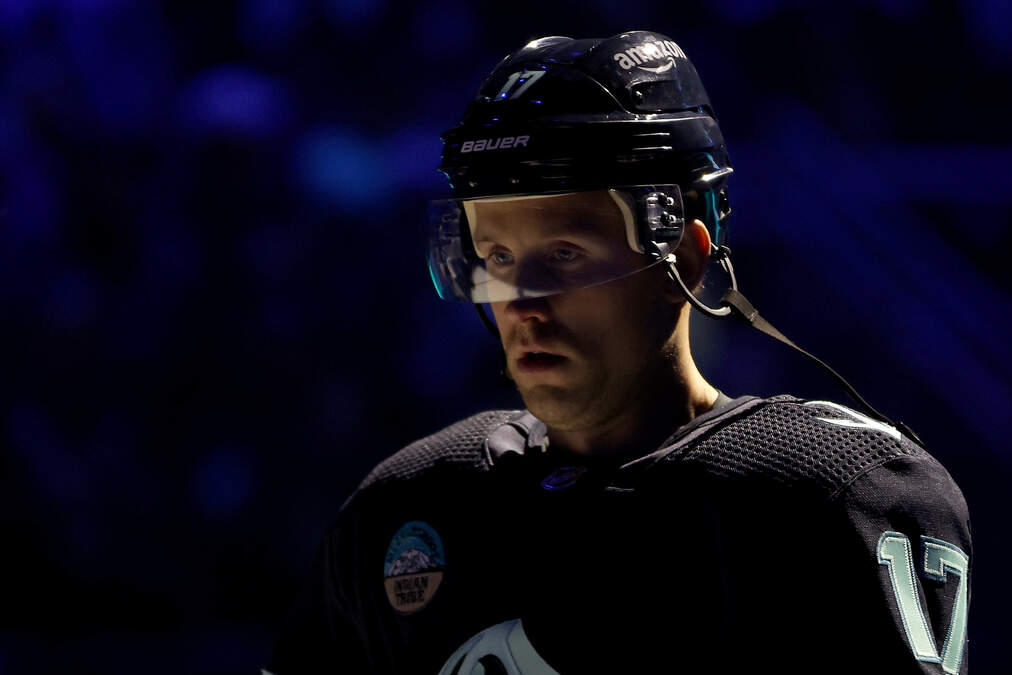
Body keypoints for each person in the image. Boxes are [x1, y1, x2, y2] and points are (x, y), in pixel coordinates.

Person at [265, 30, 972, 675]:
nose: (523, 301)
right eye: (499, 255)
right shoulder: (404, 507)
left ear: (685, 258)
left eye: (564, 254)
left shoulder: (824, 494)